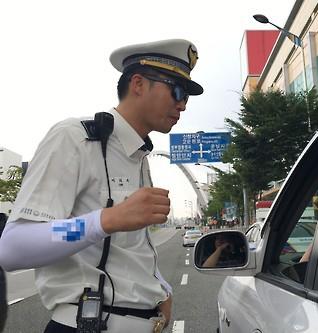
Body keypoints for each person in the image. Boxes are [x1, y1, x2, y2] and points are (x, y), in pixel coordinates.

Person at [0, 39, 203, 332]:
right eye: (177, 91)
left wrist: (160, 285)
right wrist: (106, 219)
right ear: (138, 84)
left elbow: (127, 250)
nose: (182, 104)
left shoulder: (138, 155)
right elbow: (13, 246)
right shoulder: (75, 138)